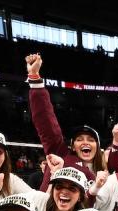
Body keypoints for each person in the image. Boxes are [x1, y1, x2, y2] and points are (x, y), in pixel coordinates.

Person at [25, 54, 102, 189]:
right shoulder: (59, 153)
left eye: (91, 140)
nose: (85, 142)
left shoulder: (106, 171)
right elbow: (45, 120)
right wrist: (34, 77)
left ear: (98, 146)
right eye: (79, 139)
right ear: (72, 147)